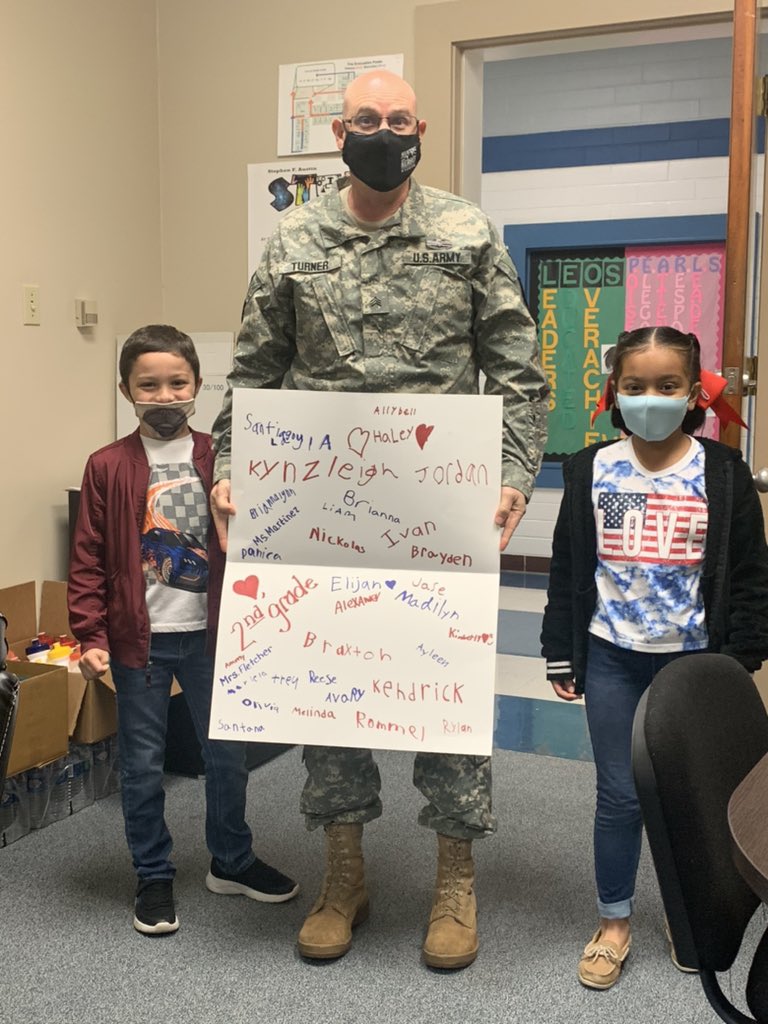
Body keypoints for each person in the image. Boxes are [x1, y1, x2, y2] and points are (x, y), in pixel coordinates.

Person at [211, 70, 548, 969]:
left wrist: (513, 477)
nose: (384, 132)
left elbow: (518, 372)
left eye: (399, 119)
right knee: (330, 686)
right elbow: (254, 372)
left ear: (420, 128)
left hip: (439, 504)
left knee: (443, 692)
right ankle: (344, 875)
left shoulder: (465, 231)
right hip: (320, 502)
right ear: (339, 131)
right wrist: (234, 469)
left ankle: (454, 881)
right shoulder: (294, 239)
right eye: (368, 118)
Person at [540, 325, 768, 989]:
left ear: (693, 393)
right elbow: (568, 568)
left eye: (667, 385)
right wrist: (560, 652)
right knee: (618, 797)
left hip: (692, 667)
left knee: (693, 801)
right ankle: (613, 921)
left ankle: (687, 911)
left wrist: (740, 658)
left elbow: (750, 574)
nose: (650, 398)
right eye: (635, 386)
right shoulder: (590, 468)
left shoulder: (721, 472)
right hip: (612, 657)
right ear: (615, 392)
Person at [68, 324, 299, 936]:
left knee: (227, 755)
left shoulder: (221, 457)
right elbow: (87, 557)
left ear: (199, 384)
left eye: (178, 383)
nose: (165, 396)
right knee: (143, 765)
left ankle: (232, 860)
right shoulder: (106, 466)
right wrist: (90, 634)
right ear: (126, 390)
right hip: (138, 643)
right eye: (149, 385)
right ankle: (153, 873)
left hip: (214, 637)